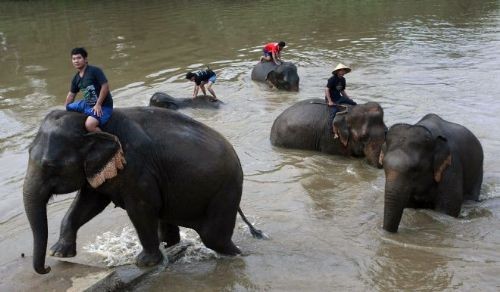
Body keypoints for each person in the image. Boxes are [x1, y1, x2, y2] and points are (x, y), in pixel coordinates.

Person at [65, 47, 113, 132]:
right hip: (87, 104)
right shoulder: (76, 78)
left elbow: (105, 87)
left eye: (79, 58)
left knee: (90, 125)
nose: (76, 61)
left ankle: (106, 141)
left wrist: (98, 104)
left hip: (103, 105)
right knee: (69, 107)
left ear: (85, 59)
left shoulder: (95, 71)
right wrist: (66, 107)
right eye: (74, 59)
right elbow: (71, 94)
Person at [325, 63, 357, 138]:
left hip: (339, 98)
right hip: (332, 99)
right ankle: (331, 131)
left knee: (354, 103)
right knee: (333, 113)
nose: (343, 72)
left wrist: (348, 98)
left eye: (344, 71)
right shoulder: (332, 79)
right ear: (338, 71)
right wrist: (330, 101)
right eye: (341, 71)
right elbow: (326, 90)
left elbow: (342, 91)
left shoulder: (343, 80)